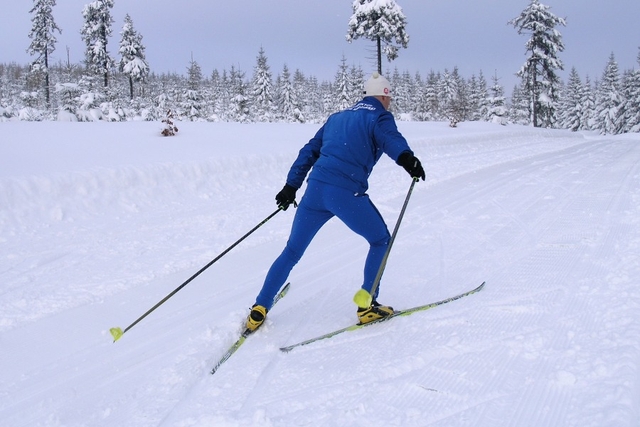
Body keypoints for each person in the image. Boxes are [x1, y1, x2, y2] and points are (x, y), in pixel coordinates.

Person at [246, 73, 425, 331]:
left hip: (315, 192)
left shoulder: (336, 118)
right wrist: (407, 159)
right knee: (380, 240)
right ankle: (366, 305)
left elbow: (309, 151)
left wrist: (290, 187)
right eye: (389, 98)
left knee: (292, 251)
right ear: (384, 96)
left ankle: (259, 308)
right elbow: (391, 140)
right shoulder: (379, 116)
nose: (390, 103)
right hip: (344, 194)